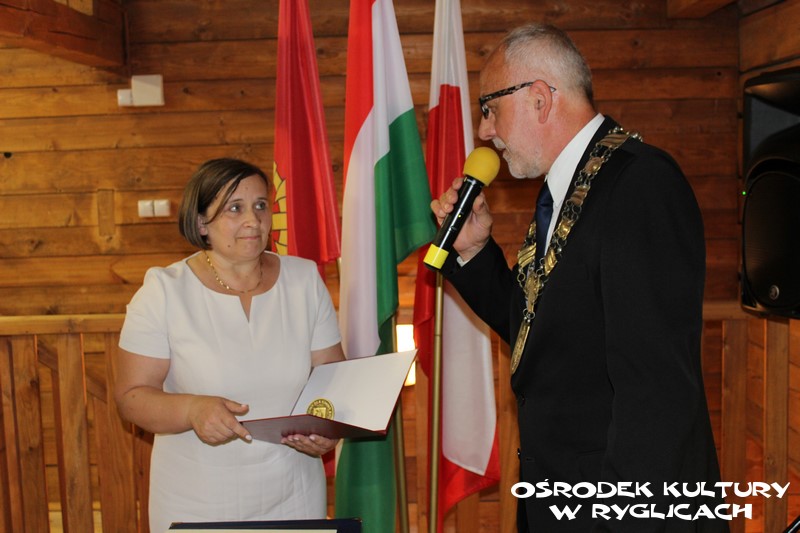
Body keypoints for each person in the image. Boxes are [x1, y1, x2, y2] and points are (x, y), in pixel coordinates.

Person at [431, 24, 728, 532]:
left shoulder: (639, 183)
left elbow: (655, 394)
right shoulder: (567, 188)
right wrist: (475, 252)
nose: (484, 131)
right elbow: (544, 335)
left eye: (489, 108)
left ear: (540, 99)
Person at [115, 158, 344, 532]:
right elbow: (131, 396)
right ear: (201, 223)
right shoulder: (164, 291)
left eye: (260, 205)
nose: (253, 220)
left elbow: (334, 380)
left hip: (294, 497)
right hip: (197, 502)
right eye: (235, 208)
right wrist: (192, 409)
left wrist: (327, 430)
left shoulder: (304, 280)